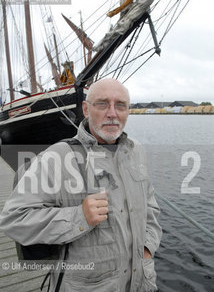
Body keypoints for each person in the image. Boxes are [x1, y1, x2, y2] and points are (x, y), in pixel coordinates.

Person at [0, 78, 162, 292]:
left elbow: (150, 207)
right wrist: (79, 217)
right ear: (86, 109)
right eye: (102, 104)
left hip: (141, 282)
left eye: (120, 105)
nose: (112, 113)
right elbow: (14, 219)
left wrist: (147, 247)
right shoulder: (57, 158)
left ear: (128, 110)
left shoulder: (136, 152)